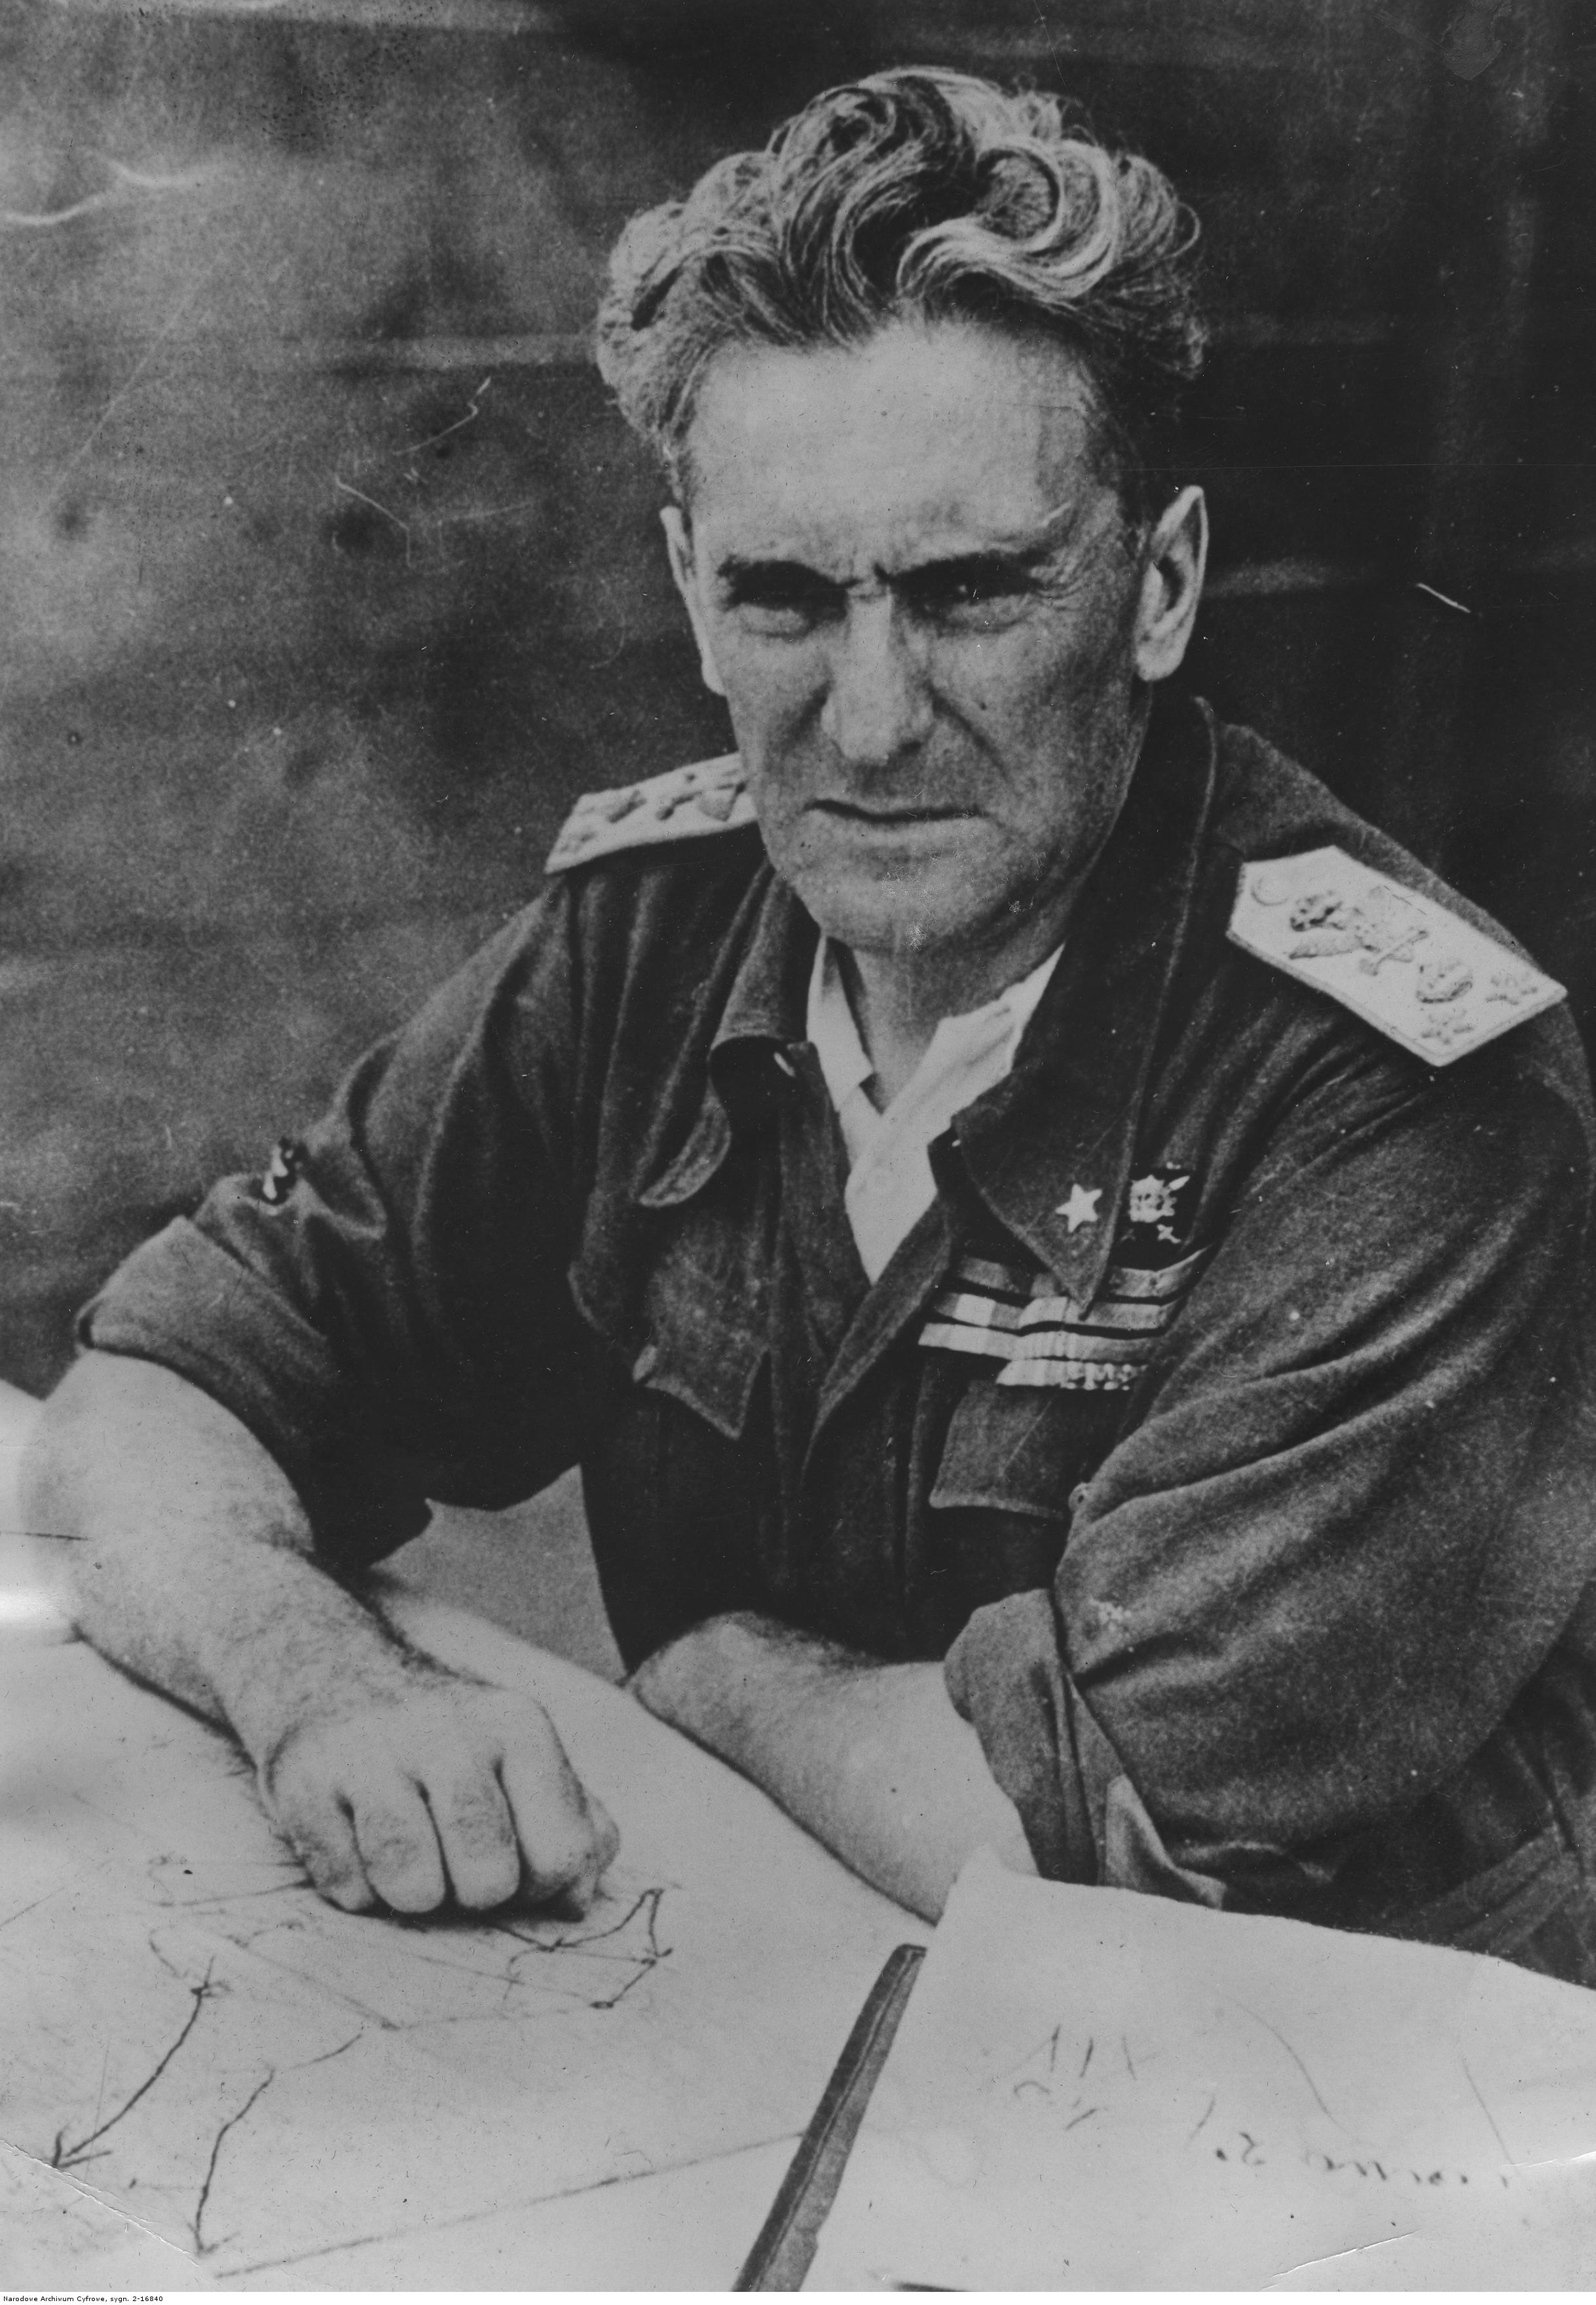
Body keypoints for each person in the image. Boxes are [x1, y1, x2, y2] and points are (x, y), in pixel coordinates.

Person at [24, 67, 1596, 1976]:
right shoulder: (655, 938)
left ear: (1159, 585)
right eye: (784, 600)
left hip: (1340, 2124)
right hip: (793, 1994)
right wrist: (322, 1685)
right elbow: (159, 1395)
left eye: (971, 594)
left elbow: (1082, 1849)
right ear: (693, 597)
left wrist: (702, 1669)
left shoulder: (1410, 1088)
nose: (866, 723)